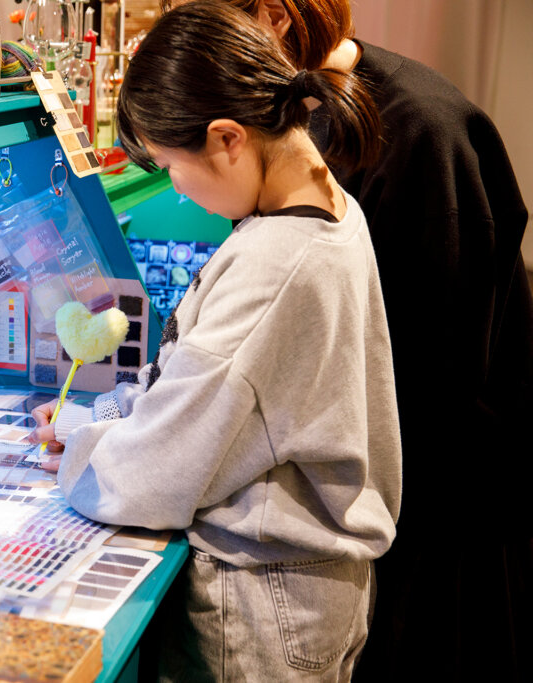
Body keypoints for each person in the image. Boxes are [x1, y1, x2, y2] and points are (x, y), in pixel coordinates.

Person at [28, 2, 401, 679]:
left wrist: (77, 453)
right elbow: (206, 397)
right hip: (312, 595)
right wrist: (94, 416)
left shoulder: (272, 266)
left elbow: (151, 476)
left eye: (171, 163)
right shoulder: (328, 206)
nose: (177, 186)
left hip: (261, 609)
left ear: (228, 138)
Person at [162, 1, 533, 679]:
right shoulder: (292, 131)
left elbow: (425, 385)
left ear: (273, 18)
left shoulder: (421, 130)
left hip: (425, 522)